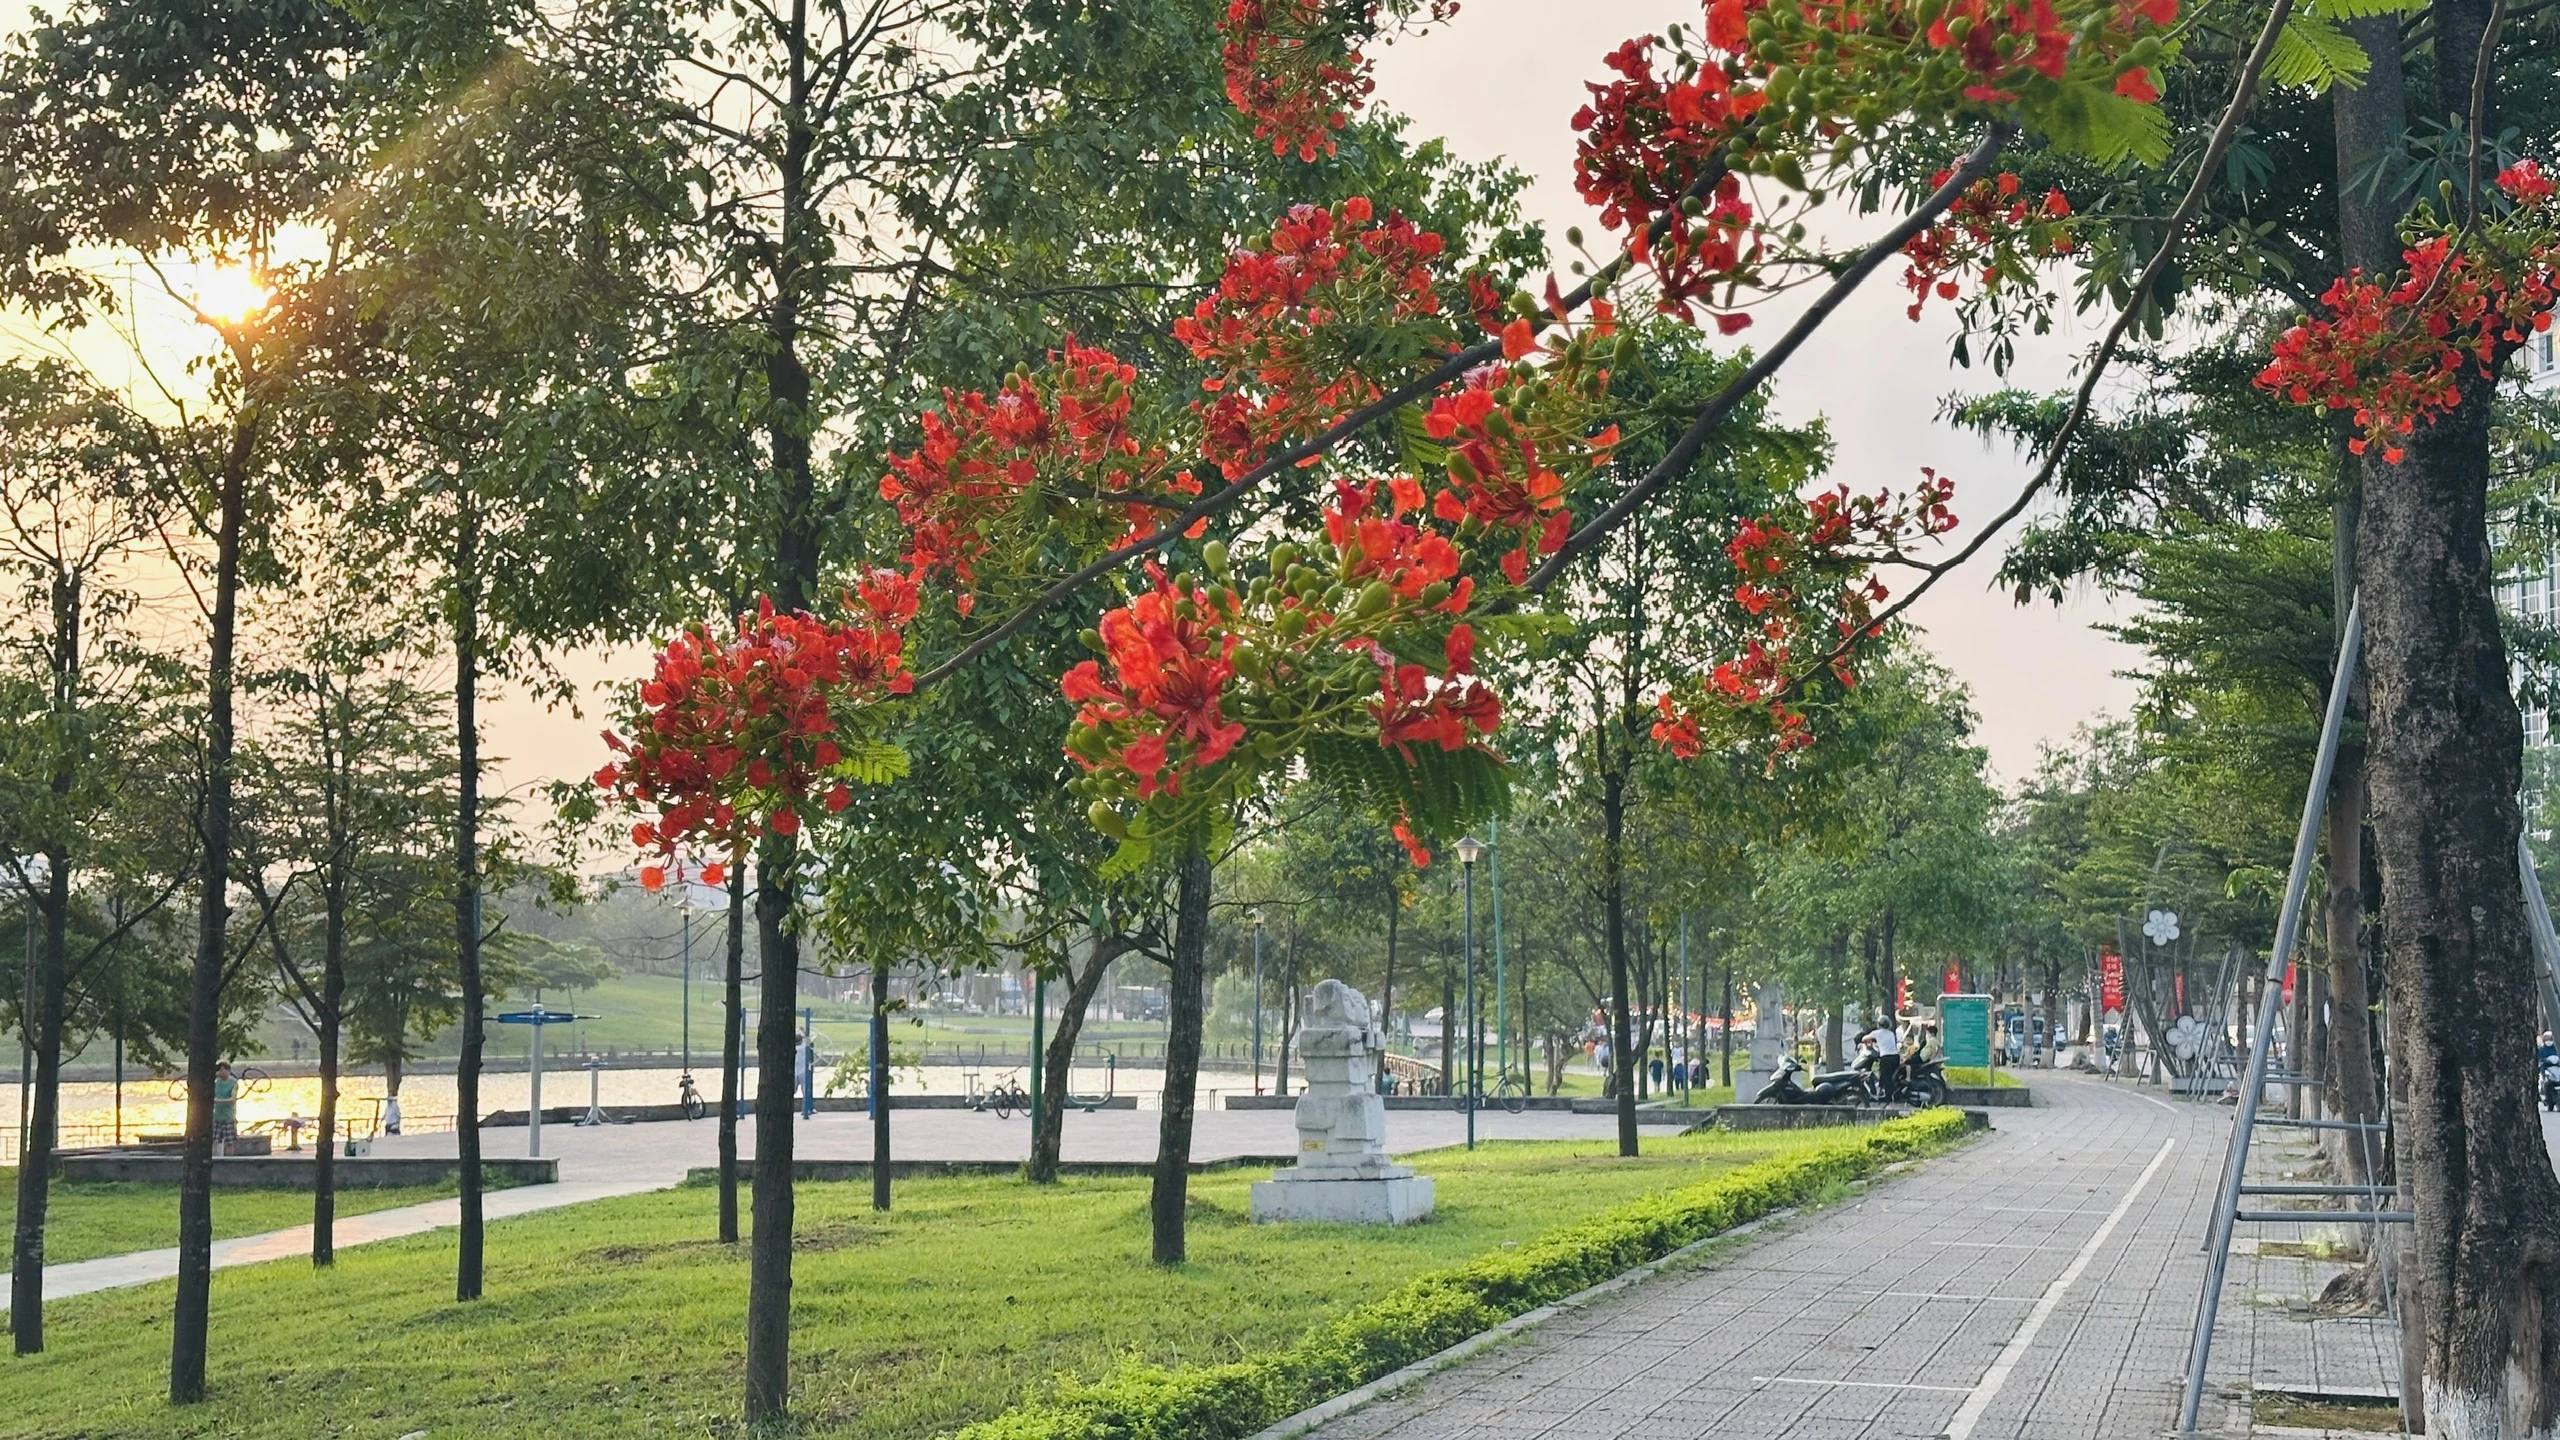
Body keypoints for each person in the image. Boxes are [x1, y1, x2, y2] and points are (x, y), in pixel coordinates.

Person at [1863, 1015, 1901, 1101]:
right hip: (1895, 1057)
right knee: (1888, 1076)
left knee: (1886, 1077)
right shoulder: (1891, 1033)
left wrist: (1869, 1041)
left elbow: (1864, 1038)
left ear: (1879, 1024)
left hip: (1886, 1058)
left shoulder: (1876, 1033)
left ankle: (1888, 1098)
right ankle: (1886, 1092)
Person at [211, 1061, 239, 1155]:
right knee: (214, 1140)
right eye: (220, 1070)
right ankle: (214, 1158)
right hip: (217, 1116)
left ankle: (230, 1161)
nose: (222, 1073)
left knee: (230, 1142)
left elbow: (233, 1098)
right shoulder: (215, 1083)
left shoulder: (233, 1082)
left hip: (228, 1116)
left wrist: (218, 1101)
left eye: (224, 1070)